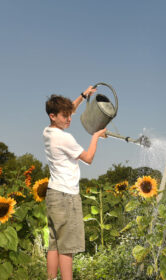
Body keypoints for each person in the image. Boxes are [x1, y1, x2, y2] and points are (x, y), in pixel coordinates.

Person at [43, 86, 106, 280]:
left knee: (54, 244)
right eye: (65, 116)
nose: (69, 119)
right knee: (67, 247)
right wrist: (96, 137)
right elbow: (87, 158)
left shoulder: (47, 132)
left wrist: (82, 96)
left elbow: (70, 108)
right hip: (66, 197)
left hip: (53, 195)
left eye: (70, 115)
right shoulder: (65, 138)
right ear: (53, 116)